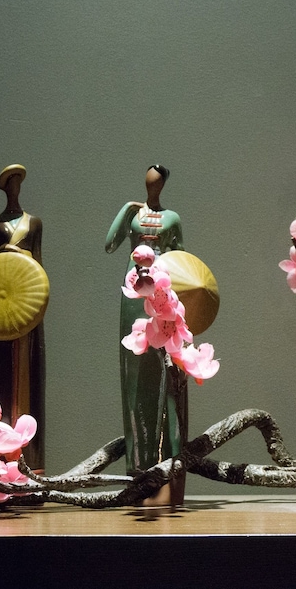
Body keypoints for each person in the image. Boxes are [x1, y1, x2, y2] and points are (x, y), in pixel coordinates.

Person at [105, 165, 187, 487]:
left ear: (163, 182)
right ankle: (138, 462)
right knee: (134, 364)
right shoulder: (133, 215)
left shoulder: (173, 218)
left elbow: (182, 260)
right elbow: (110, 244)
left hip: (164, 286)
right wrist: (127, 209)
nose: (153, 182)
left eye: (157, 178)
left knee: (165, 365)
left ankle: (168, 460)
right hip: (133, 287)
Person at [0, 164, 45, 471]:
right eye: (10, 183)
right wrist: (2, 251)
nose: (14, 187)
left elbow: (39, 261)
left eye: (18, 182)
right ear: (4, 188)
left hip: (26, 296)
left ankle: (29, 462)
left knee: (28, 371)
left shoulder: (34, 223)